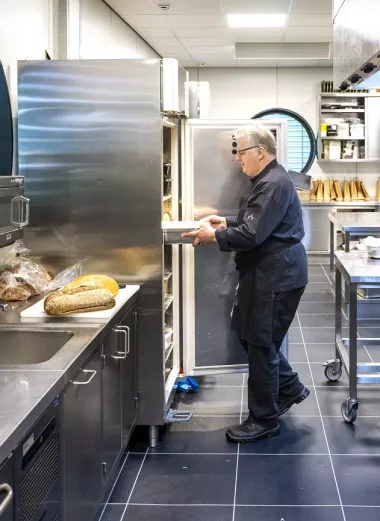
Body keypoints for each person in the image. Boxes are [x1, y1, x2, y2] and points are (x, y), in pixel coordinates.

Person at [182, 124, 309, 443]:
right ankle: (289, 388)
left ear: (260, 152)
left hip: (277, 273)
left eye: (240, 150)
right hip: (267, 272)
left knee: (261, 342)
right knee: (249, 333)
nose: (237, 158)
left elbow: (253, 235)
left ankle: (263, 419)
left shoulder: (272, 183)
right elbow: (258, 224)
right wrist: (226, 223)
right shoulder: (268, 180)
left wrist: (215, 236)